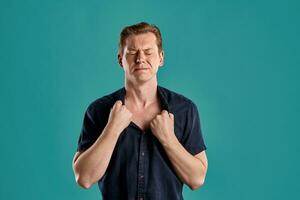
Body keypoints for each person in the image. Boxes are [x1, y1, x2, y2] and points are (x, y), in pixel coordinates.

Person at [72, 22, 208, 200]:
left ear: (161, 58)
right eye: (132, 52)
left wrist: (168, 139)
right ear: (120, 59)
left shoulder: (184, 109)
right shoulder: (98, 110)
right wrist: (112, 128)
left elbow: (197, 179)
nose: (140, 58)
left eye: (148, 52)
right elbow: (84, 178)